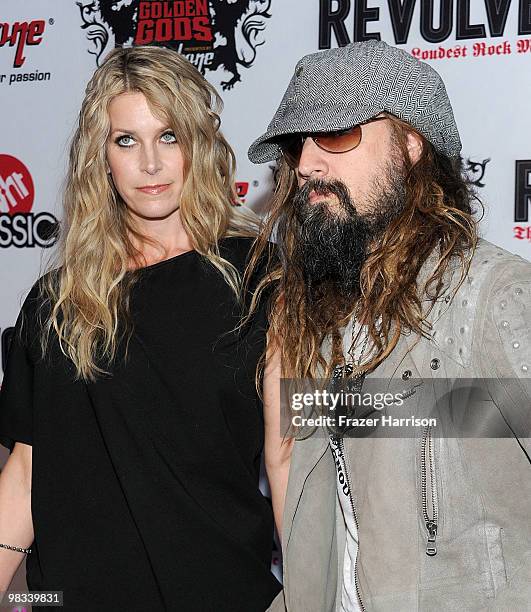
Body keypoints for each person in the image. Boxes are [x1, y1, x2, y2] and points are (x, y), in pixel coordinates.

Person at [246, 40, 531, 611]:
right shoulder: (320, 318)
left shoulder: (492, 300)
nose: (307, 164)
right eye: (297, 145)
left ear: (410, 142)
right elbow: (312, 495)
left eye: (335, 134)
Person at [0, 45, 286, 611]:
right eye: (126, 140)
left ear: (197, 145)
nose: (150, 163)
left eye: (169, 136)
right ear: (99, 157)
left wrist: (310, 590)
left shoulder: (259, 279)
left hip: (226, 594)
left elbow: (287, 459)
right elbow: (28, 472)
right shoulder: (56, 303)